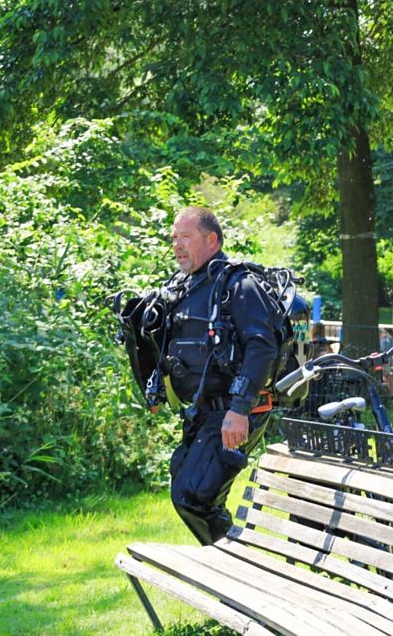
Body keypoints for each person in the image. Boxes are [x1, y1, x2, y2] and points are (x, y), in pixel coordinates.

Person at [155, 207, 279, 545]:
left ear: (211, 240)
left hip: (237, 411)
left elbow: (261, 347)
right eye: (174, 238)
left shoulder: (240, 283)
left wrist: (239, 409)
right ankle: (233, 565)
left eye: (185, 237)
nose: (177, 245)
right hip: (203, 413)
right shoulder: (185, 286)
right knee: (186, 487)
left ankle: (241, 567)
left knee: (194, 494)